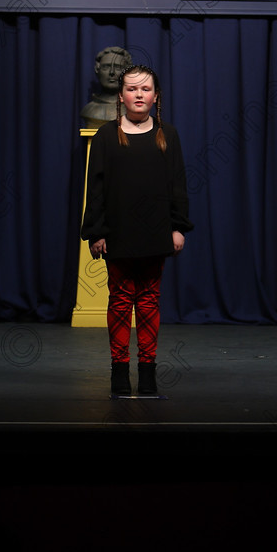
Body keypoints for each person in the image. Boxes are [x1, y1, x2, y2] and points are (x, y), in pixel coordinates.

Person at [81, 64, 193, 396]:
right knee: (119, 302)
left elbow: (178, 186)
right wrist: (96, 231)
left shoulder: (168, 135)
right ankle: (119, 372)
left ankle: (147, 373)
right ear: (122, 96)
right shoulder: (106, 135)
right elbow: (96, 188)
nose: (139, 94)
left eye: (145, 89)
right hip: (118, 233)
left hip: (156, 234)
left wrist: (178, 228)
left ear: (156, 96)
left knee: (148, 303)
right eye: (132, 89)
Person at [80, 46, 132, 127]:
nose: (112, 72)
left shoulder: (131, 110)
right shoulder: (88, 110)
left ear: (127, 72)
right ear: (97, 70)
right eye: (106, 67)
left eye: (118, 67)